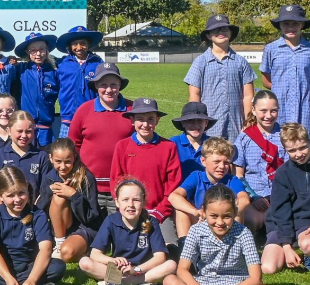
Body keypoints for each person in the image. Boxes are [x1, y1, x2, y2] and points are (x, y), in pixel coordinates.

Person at [164, 185, 273, 285]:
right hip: (205, 282)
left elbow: (256, 278)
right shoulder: (196, 231)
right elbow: (182, 269)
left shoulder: (244, 233)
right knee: (169, 281)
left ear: (235, 212)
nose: (220, 222)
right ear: (203, 212)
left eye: (227, 216)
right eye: (214, 216)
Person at [78, 177, 176, 285]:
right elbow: (95, 254)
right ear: (117, 202)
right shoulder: (111, 220)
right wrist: (113, 261)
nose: (130, 205)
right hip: (118, 270)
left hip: (144, 269)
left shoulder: (151, 222)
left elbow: (160, 256)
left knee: (171, 265)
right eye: (125, 200)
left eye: (136, 200)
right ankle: (140, 283)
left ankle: (121, 283)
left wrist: (136, 269)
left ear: (144, 202)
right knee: (84, 262)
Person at [263, 124, 310, 274]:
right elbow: (280, 211)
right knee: (269, 268)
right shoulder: (282, 173)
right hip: (284, 224)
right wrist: (286, 245)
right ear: (285, 150)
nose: (298, 154)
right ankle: (291, 248)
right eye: (292, 150)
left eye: (302, 148)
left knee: (309, 246)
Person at [109, 97, 183, 241]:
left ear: (157, 120)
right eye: (140, 119)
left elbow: (173, 184)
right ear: (132, 121)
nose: (145, 124)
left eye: (150, 119)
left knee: (170, 251)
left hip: (160, 213)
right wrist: (128, 207)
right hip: (130, 211)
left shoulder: (168, 147)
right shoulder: (122, 146)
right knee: (127, 252)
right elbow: (116, 181)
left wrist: (161, 211)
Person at [67, 62, 134, 212]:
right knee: (90, 229)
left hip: (122, 186)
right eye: (103, 85)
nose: (109, 90)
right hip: (89, 185)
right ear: (96, 86)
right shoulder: (84, 110)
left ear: (120, 85)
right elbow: (73, 145)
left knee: (118, 230)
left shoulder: (132, 110)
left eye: (113, 85)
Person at [184, 14, 255, 142]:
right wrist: (198, 122)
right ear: (208, 35)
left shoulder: (241, 62)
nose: (220, 32)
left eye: (224, 29)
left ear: (230, 33)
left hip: (236, 125)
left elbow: (248, 95)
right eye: (215, 30)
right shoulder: (200, 62)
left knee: (235, 159)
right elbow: (194, 95)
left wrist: (248, 121)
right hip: (209, 126)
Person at [260, 5, 310, 145]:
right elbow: (265, 80)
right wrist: (282, 90)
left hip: (304, 106)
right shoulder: (271, 49)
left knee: (305, 144)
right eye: (286, 23)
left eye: (295, 23)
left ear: (302, 25)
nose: (290, 27)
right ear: (280, 26)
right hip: (279, 105)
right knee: (279, 144)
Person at [168, 137, 250, 241]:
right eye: (216, 162)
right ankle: (185, 245)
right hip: (199, 219)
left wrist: (223, 213)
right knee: (181, 210)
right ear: (203, 161)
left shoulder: (232, 180)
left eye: (226, 163)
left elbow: (245, 200)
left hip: (222, 222)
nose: (221, 166)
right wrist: (195, 212)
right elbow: (174, 196)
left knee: (238, 212)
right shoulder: (196, 176)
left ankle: (234, 244)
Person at [38, 138, 104, 264]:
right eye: (58, 161)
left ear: (74, 157)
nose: (63, 167)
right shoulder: (49, 178)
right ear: (51, 158)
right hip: (60, 228)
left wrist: (74, 196)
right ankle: (59, 243)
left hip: (85, 227)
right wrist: (49, 190)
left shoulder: (86, 178)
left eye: (68, 162)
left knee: (67, 253)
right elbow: (39, 210)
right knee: (58, 196)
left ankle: (80, 250)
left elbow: (91, 216)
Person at [232, 90, 285, 230]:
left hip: (281, 194)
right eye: (263, 111)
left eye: (273, 111)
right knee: (253, 220)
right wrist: (254, 197)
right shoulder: (244, 138)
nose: (268, 116)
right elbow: (238, 174)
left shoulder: (286, 136)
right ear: (254, 110)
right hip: (254, 195)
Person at [0, 112, 52, 213]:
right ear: (9, 131)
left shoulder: (41, 157)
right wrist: (3, 214)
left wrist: (36, 213)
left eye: (28, 131)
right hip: (6, 213)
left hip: (34, 212)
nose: (24, 135)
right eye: (19, 131)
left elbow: (45, 190)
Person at [8, 32, 60, 146]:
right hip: (25, 125)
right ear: (27, 52)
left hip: (45, 127)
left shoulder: (54, 72)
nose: (38, 53)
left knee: (45, 157)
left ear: (47, 51)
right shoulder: (21, 69)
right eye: (33, 50)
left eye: (42, 49)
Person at [54, 25, 105, 135]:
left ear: (88, 44)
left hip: (91, 116)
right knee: (65, 150)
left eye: (83, 43)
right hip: (68, 118)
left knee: (88, 149)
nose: (79, 47)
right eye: (75, 44)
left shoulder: (98, 64)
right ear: (70, 46)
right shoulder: (62, 64)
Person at [169, 102, 215, 180]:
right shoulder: (172, 143)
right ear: (183, 123)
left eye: (199, 121)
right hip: (179, 190)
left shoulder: (213, 144)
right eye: (190, 121)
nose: (195, 125)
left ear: (206, 123)